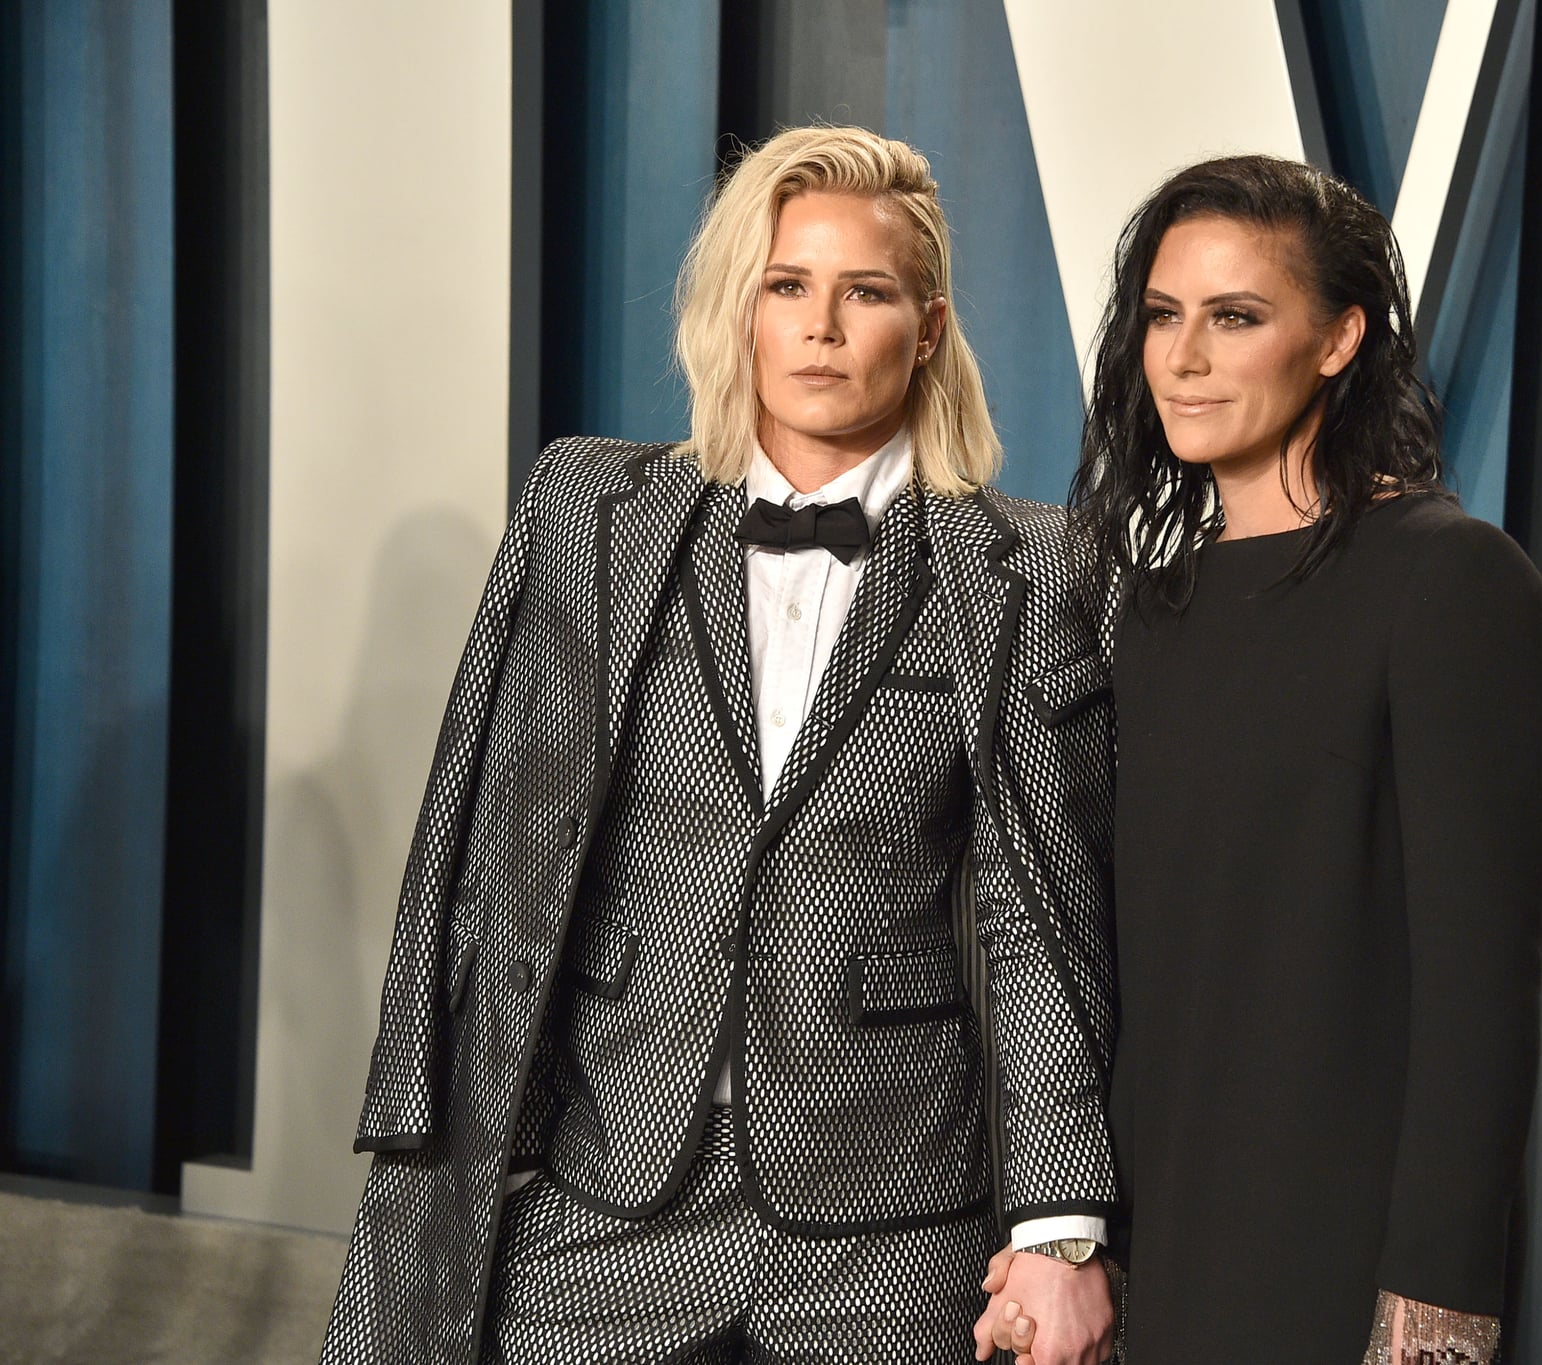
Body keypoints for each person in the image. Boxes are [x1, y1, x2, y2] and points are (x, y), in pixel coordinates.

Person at [322, 125, 1118, 1365]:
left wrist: (1061, 1227)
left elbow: (1034, 911)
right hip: (603, 1192)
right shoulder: (588, 510)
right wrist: (445, 1129)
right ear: (738, 309)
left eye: (866, 292)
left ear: (927, 325)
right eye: (785, 286)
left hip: (886, 1220)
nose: (821, 326)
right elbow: (484, 843)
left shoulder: (1019, 564)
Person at [984, 155, 1542, 1363]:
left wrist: (1435, 1306)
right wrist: (1084, 1242)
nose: (1184, 357)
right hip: (1164, 1245)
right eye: (1162, 315)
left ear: (1339, 338)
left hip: (1345, 1261)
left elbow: (1478, 991)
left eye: (1235, 317)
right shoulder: (1149, 608)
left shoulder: (1450, 582)